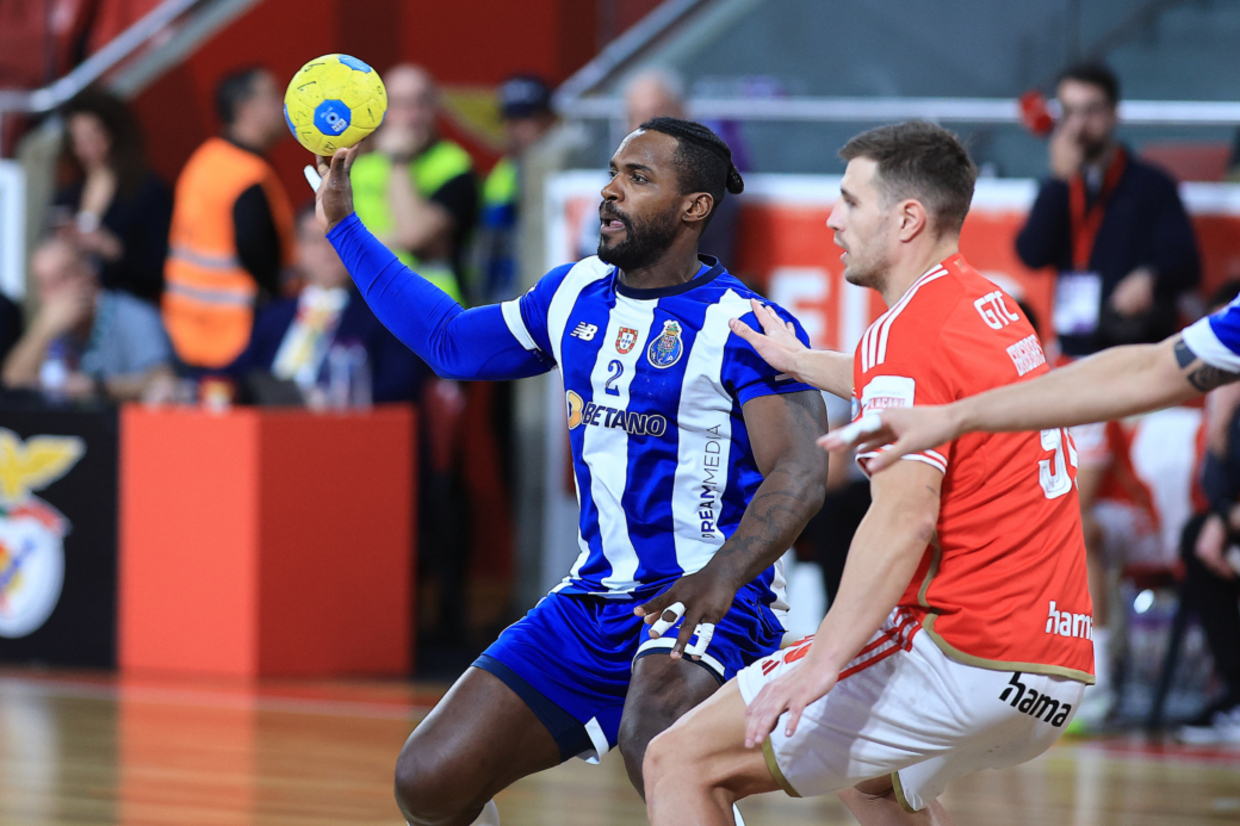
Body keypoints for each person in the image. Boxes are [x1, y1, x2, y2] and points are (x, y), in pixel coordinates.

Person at [314, 116, 829, 825]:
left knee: (654, 735)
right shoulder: (574, 292)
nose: (611, 191)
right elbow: (449, 343)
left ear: (695, 207)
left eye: (638, 178)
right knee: (429, 782)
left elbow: (801, 470)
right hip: (592, 602)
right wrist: (345, 226)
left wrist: (723, 573)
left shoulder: (745, 324)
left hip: (711, 599)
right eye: (613, 172)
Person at [643, 121, 1093, 826]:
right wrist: (798, 361)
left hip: (963, 653)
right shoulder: (991, 307)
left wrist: (822, 662)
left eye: (850, 202)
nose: (832, 219)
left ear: (906, 218)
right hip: (1053, 668)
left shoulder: (904, 333)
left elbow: (903, 516)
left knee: (677, 762)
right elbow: (908, 382)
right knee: (872, 780)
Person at [1015, 60, 1201, 725]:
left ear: (1113, 114)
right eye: (1069, 110)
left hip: (1134, 365)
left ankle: (1095, 673)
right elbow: (1033, 252)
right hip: (1073, 360)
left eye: (1091, 110)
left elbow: (1187, 261)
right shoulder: (1063, 187)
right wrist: (1058, 181)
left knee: (1081, 511)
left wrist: (1150, 276)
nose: (1080, 123)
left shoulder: (1148, 187)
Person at [162, 66, 295, 373]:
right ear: (243, 109)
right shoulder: (246, 174)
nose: (283, 104)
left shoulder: (205, 159)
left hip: (186, 330)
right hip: (236, 337)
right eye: (273, 95)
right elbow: (258, 255)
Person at [240, 206, 424, 404]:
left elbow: (401, 384)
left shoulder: (385, 315)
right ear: (298, 250)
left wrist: (332, 397)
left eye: (337, 239)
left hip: (342, 426)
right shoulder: (274, 315)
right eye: (315, 240)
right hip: (270, 421)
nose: (327, 250)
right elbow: (241, 373)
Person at [350, 65, 477, 304]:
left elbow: (413, 234)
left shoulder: (454, 166)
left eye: (422, 102)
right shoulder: (361, 168)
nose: (412, 115)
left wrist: (399, 161)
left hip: (431, 305)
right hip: (368, 301)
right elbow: (337, 243)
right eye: (399, 104)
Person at [2, 238, 174, 400]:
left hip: (123, 427)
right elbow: (11, 382)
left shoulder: (134, 317)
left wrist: (97, 387)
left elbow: (163, 382)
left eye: (62, 278)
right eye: (43, 284)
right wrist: (42, 331)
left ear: (88, 274)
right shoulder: (50, 326)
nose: (54, 294)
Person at [53, 87, 173, 304]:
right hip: (78, 302)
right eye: (77, 139)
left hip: (127, 301)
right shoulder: (68, 195)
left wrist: (109, 247)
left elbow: (159, 267)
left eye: (93, 135)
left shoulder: (147, 191)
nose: (86, 147)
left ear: (113, 132)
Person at [474, 74, 559, 305]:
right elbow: (488, 246)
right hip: (507, 294)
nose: (514, 129)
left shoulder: (565, 166)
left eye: (525, 118)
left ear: (549, 120)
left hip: (548, 288)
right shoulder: (503, 171)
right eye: (509, 119)